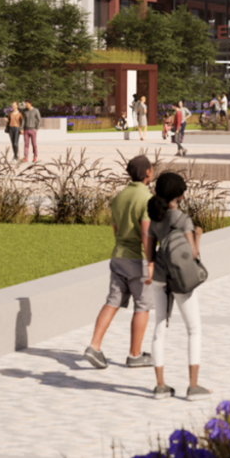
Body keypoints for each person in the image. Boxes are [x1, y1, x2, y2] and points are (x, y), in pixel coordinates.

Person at [83, 156, 156, 369]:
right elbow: (145, 231)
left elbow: (115, 229)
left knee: (113, 301)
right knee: (142, 306)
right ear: (148, 173)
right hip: (138, 259)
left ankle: (94, 346)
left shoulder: (120, 196)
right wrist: (151, 262)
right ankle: (135, 355)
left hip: (118, 256)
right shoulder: (147, 198)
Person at [142, 171, 208, 400]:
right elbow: (193, 253)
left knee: (159, 327)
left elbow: (149, 254)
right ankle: (193, 386)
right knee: (194, 329)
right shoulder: (183, 220)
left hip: (160, 277)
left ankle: (160, 386)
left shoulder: (156, 219)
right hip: (180, 280)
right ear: (179, 195)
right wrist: (198, 235)